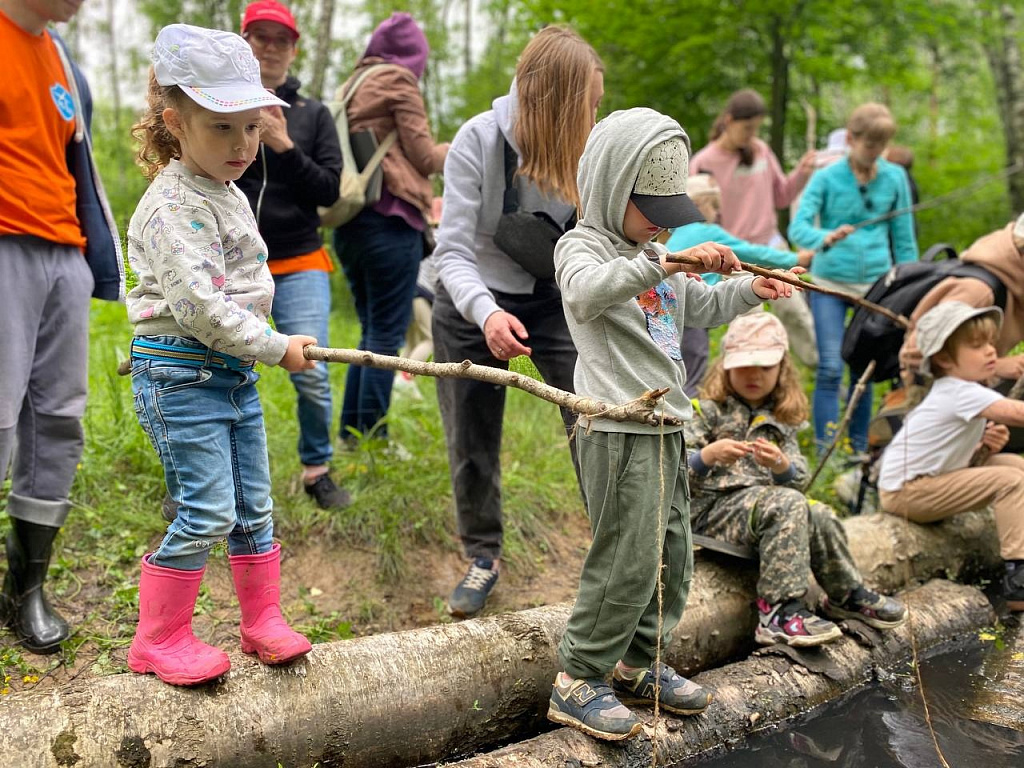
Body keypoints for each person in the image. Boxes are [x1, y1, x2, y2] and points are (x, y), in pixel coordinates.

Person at [548, 107, 796, 741]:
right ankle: (579, 677)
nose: (661, 223)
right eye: (650, 208)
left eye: (668, 210)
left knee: (671, 555)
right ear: (610, 187)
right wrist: (665, 263)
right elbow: (584, 294)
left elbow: (702, 306)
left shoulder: (655, 251)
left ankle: (638, 661)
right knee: (625, 556)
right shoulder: (582, 246)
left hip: (666, 425)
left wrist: (752, 291)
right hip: (616, 426)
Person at [124, 24, 314, 686]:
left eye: (252, 128)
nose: (242, 145)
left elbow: (239, 290)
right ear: (176, 124)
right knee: (207, 508)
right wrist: (276, 347)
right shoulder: (172, 204)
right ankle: (159, 637)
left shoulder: (225, 191)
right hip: (179, 374)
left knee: (254, 506)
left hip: (230, 375)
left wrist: (265, 341)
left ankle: (262, 619)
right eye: (222, 128)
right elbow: (203, 308)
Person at [434, 26, 603, 619]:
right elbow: (452, 252)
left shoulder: (587, 150)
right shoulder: (478, 141)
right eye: (588, 106)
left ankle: (615, 549)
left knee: (594, 419)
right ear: (555, 104)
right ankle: (483, 555)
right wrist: (487, 314)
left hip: (554, 298)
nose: (594, 118)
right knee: (472, 437)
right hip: (471, 302)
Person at [0, 0, 123, 654]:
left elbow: (76, 166)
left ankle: (26, 589)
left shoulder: (63, 60)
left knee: (57, 421)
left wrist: (87, 262)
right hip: (4, 247)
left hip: (64, 255)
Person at [684, 313, 907, 648]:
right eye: (744, 367)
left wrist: (782, 465)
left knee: (818, 511)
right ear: (727, 367)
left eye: (765, 367)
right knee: (787, 503)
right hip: (711, 513)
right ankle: (778, 611)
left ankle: (845, 592)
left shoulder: (780, 419)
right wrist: (708, 455)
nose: (754, 375)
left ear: (781, 370)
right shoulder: (708, 411)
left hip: (761, 514)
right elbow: (674, 468)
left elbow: (797, 481)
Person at [234, 0, 349, 509]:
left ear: (294, 49)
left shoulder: (313, 114)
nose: (270, 48)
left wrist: (283, 144)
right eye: (260, 37)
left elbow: (329, 189)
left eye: (281, 39)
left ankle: (317, 470)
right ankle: (215, 475)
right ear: (244, 42)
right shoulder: (221, 105)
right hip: (233, 263)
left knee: (313, 370)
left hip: (300, 259)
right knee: (221, 367)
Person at [333, 12, 449, 445]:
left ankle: (352, 435)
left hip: (350, 222)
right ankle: (372, 438)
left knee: (370, 331)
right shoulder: (399, 81)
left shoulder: (352, 85)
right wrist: (458, 148)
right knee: (386, 333)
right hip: (392, 219)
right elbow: (424, 157)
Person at [789, 102, 918, 455]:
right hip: (830, 282)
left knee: (863, 371)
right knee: (831, 367)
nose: (875, 152)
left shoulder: (895, 177)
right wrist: (824, 238)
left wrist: (911, 284)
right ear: (850, 139)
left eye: (882, 146)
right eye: (869, 145)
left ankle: (859, 451)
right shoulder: (826, 177)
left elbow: (904, 238)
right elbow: (798, 226)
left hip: (876, 285)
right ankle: (826, 452)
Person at [878, 302, 1024, 611]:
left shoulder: (964, 389)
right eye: (977, 346)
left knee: (1016, 466)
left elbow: (944, 448)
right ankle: (1018, 580)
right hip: (908, 492)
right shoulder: (958, 391)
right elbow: (1016, 413)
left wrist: (982, 444)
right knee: (1011, 480)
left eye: (990, 343)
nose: (990, 351)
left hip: (928, 480)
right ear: (944, 359)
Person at [691, 89, 818, 366]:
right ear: (729, 121)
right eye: (747, 128)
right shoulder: (703, 162)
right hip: (736, 257)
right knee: (752, 325)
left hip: (771, 247)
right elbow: (695, 214)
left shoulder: (761, 151)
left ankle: (820, 369)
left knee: (797, 315)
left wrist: (802, 173)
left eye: (756, 128)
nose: (752, 135)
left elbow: (782, 197)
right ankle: (750, 377)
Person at [666, 173, 813, 396]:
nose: (717, 213)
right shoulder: (706, 232)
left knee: (677, 370)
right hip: (693, 312)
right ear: (700, 206)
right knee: (693, 374)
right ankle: (691, 413)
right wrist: (795, 259)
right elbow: (752, 253)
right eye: (714, 207)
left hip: (670, 312)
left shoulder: (675, 237)